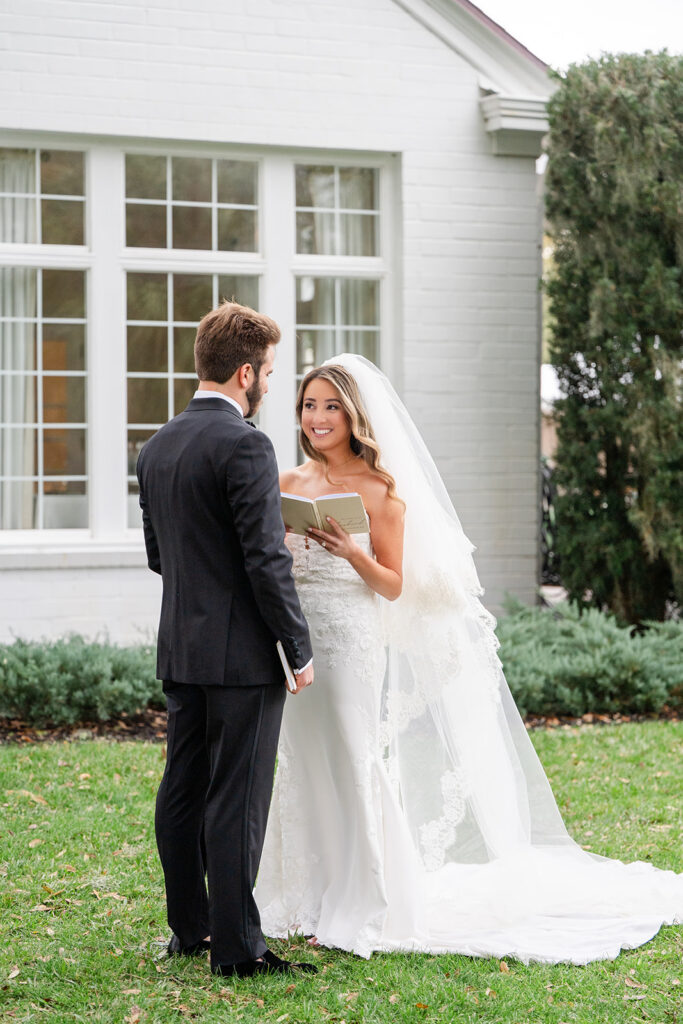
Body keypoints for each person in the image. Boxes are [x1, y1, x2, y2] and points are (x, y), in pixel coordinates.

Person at [254, 354, 683, 964]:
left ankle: (364, 900)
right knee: (303, 761)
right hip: (298, 640)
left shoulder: (382, 493)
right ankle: (306, 894)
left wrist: (349, 551)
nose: (317, 418)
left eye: (331, 406)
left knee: (352, 756)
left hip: (350, 640)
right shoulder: (288, 483)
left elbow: (394, 585)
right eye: (308, 405)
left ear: (355, 416)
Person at [137, 301, 317, 979]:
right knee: (236, 799)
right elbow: (265, 561)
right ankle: (239, 950)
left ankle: (188, 930)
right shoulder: (245, 444)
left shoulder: (156, 445)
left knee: (182, 788)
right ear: (245, 373)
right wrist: (296, 647)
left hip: (180, 648)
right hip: (242, 655)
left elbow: (160, 557)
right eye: (268, 371)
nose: (268, 383)